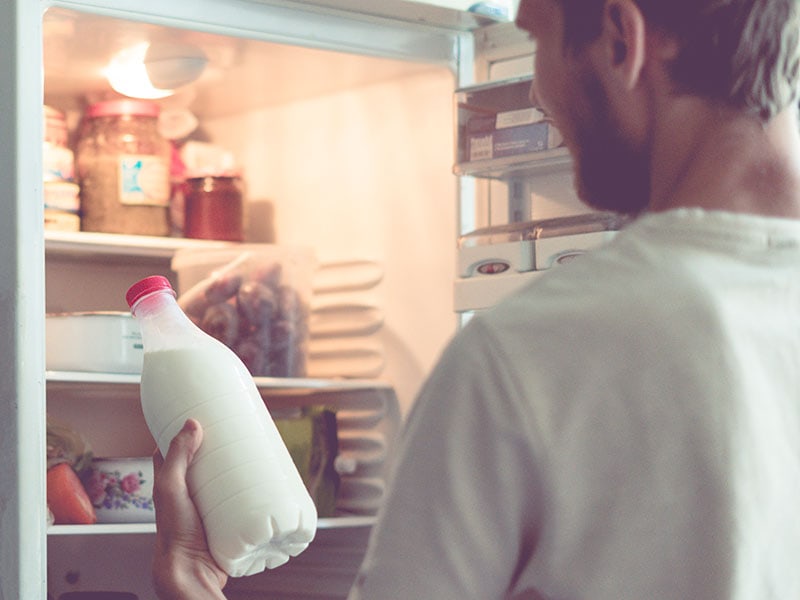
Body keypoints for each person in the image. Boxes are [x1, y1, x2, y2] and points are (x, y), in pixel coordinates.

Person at [151, 0, 800, 598]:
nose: (540, 93)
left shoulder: (534, 352)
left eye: (538, 38)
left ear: (621, 38)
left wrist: (193, 586)